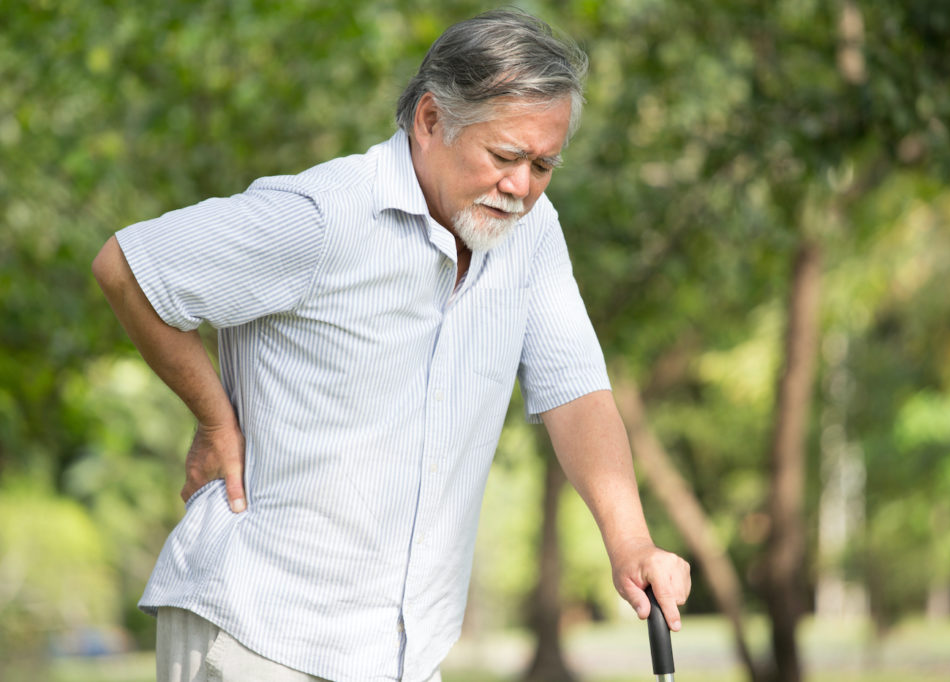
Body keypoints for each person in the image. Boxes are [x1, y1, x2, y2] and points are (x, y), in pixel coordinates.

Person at [92, 9, 691, 682]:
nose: (522, 186)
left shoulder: (533, 231)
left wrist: (631, 541)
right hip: (260, 631)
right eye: (504, 157)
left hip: (400, 654)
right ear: (431, 120)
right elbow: (130, 266)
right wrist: (214, 416)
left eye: (544, 164)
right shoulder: (322, 216)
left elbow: (575, 388)